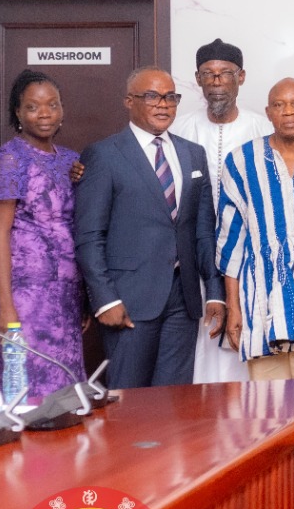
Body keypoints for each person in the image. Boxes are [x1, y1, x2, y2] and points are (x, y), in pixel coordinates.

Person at [74, 67, 224, 388]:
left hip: (183, 301)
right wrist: (105, 300)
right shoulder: (104, 155)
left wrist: (214, 291)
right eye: (153, 96)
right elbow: (89, 237)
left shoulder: (192, 154)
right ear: (130, 101)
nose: (163, 105)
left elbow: (203, 230)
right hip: (128, 302)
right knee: (128, 402)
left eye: (171, 97)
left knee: (174, 402)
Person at [218, 79, 294, 379]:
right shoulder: (240, 161)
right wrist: (233, 307)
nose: (289, 111)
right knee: (268, 410)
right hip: (261, 302)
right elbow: (231, 243)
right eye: (279, 105)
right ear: (268, 112)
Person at [0, 70, 85, 399]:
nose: (44, 114)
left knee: (68, 390)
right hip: (23, 295)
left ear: (62, 110)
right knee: (28, 387)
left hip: (65, 293)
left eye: (52, 105)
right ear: (17, 112)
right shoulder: (7, 160)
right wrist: (6, 306)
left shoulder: (71, 160)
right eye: (33, 107)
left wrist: (84, 297)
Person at [174, 38, 268, 382]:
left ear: (241, 78)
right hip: (192, 249)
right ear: (197, 80)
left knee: (244, 333)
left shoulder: (263, 129)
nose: (216, 82)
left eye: (225, 74)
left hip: (248, 251)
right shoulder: (178, 128)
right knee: (201, 338)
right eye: (208, 74)